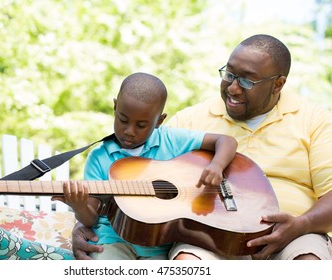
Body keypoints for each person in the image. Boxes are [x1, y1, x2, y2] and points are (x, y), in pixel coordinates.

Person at [71, 34, 332, 260]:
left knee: (307, 261)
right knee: (188, 262)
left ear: (278, 83)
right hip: (207, 237)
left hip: (292, 234)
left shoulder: (315, 120)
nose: (233, 88)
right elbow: (138, 179)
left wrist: (301, 225)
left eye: (247, 81)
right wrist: (83, 223)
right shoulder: (190, 120)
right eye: (229, 74)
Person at [55, 72, 238, 260]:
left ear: (159, 121)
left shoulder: (171, 139)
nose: (129, 131)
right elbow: (91, 219)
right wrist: (79, 206)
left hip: (158, 244)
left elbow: (226, 141)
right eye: (123, 120)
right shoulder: (99, 158)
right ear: (115, 107)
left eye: (141, 125)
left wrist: (217, 165)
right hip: (112, 241)